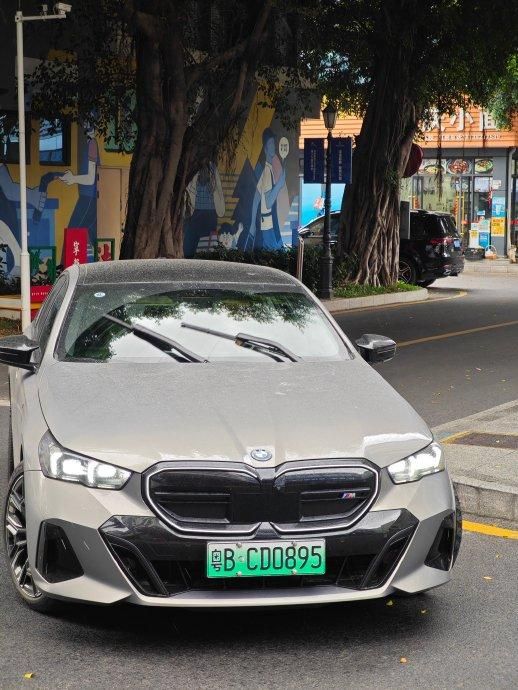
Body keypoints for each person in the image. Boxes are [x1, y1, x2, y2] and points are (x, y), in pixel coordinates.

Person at [245, 128, 286, 250]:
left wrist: (252, 224)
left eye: (273, 143)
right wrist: (279, 184)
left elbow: (257, 197)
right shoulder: (267, 172)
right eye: (270, 143)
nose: (273, 146)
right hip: (270, 226)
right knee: (277, 254)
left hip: (267, 225)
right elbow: (268, 203)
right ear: (265, 149)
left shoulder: (266, 170)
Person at [184, 163, 225, 257]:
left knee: (207, 246)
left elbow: (219, 190)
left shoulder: (213, 168)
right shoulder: (194, 165)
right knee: (190, 245)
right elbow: (189, 189)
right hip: (195, 213)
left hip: (209, 214)